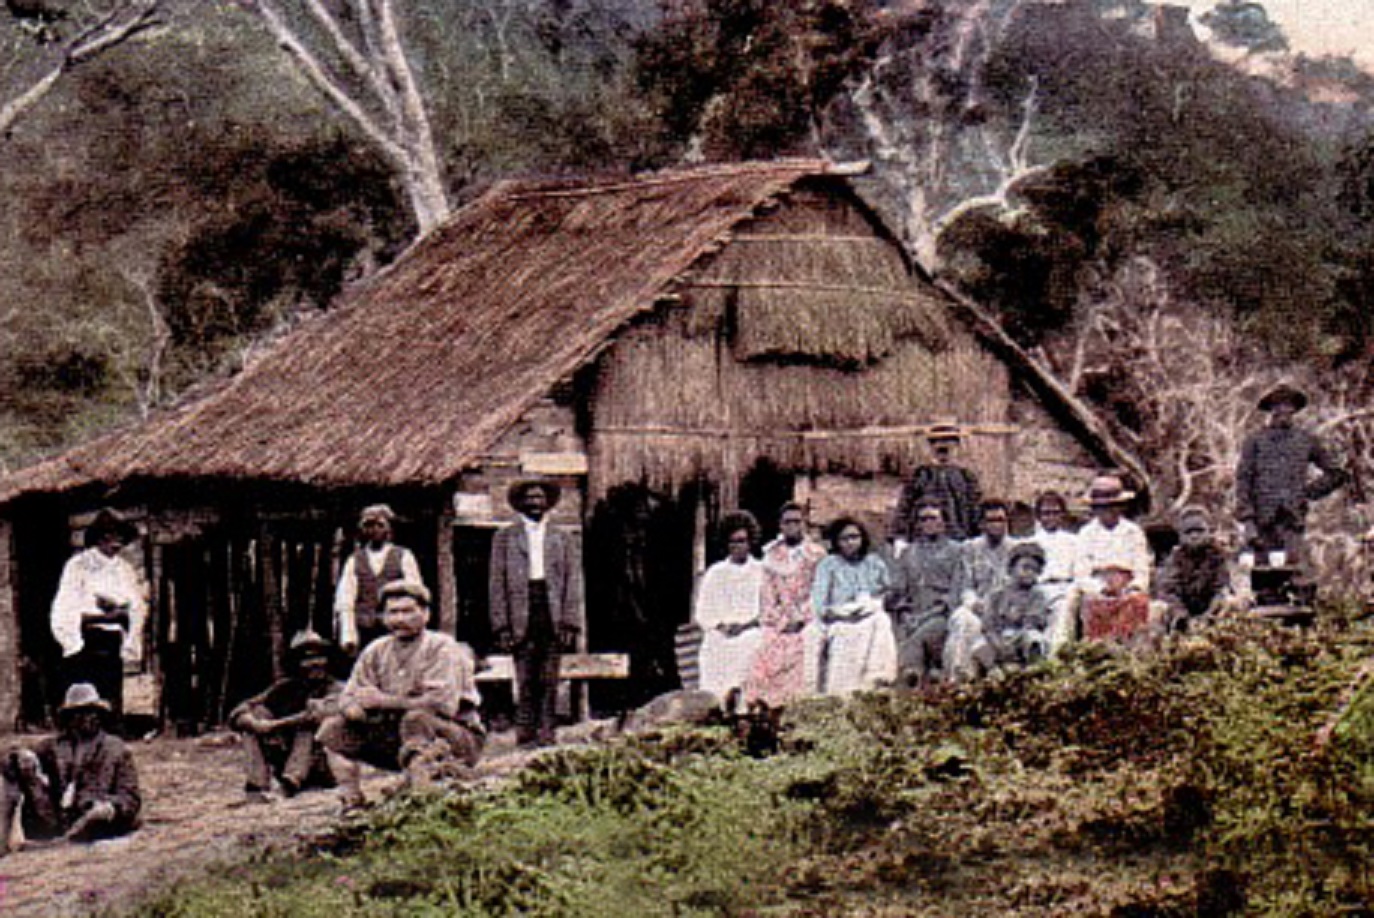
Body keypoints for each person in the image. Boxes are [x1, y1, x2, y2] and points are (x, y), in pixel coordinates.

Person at [317, 581, 484, 810]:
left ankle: (423, 798)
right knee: (333, 729)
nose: (399, 619)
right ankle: (352, 801)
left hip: (455, 738)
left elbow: (442, 704)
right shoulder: (377, 650)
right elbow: (350, 694)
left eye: (408, 611)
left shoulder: (442, 647)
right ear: (383, 617)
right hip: (397, 738)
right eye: (392, 612)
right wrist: (352, 709)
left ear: (425, 614)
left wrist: (383, 701)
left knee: (416, 718)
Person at [489, 479, 583, 748]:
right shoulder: (505, 537)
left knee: (549, 676)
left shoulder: (562, 538)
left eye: (540, 498)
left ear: (548, 503)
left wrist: (569, 622)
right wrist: (501, 625)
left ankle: (547, 733)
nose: (535, 502)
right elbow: (496, 583)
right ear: (520, 503)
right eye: (529, 498)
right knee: (525, 675)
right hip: (521, 609)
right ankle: (525, 734)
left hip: (550, 609)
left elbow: (572, 582)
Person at [1, 683, 140, 854]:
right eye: (77, 713)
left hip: (95, 821)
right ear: (69, 717)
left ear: (99, 714)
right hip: (55, 819)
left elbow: (130, 798)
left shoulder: (116, 749)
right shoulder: (54, 746)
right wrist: (23, 757)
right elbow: (11, 757)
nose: (85, 718)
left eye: (90, 711)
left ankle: (63, 840)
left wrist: (110, 807)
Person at [50, 508, 147, 721]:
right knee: (85, 689)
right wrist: (96, 618)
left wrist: (121, 612)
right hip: (86, 638)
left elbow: (136, 605)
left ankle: (111, 727)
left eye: (119, 537)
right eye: (110, 536)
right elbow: (67, 605)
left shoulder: (124, 569)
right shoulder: (79, 566)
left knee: (111, 686)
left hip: (112, 638)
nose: (115, 542)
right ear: (100, 538)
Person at [1236, 384, 1347, 561]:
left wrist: (1308, 492)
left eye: (1290, 406)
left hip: (1293, 520)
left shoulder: (1306, 440)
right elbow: (1243, 480)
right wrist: (1247, 520)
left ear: (1295, 410)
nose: (1284, 411)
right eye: (1278, 406)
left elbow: (1337, 473)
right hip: (1262, 521)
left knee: (1298, 577)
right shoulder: (1255, 440)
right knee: (1265, 579)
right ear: (1271, 410)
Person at [228, 630, 342, 802]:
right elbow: (239, 711)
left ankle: (290, 784)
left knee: (307, 727)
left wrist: (275, 725)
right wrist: (254, 723)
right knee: (257, 715)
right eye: (306, 659)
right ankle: (256, 786)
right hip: (286, 757)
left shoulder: (336, 688)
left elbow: (315, 715)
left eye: (319, 657)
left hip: (325, 764)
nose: (314, 664)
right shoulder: (284, 688)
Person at [745, 502, 828, 705]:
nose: (792, 526)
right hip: (779, 621)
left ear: (804, 524)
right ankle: (767, 705)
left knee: (810, 641)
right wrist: (781, 621)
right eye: (787, 522)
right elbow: (767, 596)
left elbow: (820, 592)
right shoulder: (771, 557)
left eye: (797, 521)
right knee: (764, 645)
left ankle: (803, 702)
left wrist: (802, 618)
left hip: (810, 619)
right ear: (780, 526)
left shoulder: (817, 555)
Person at [809, 517, 897, 695]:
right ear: (836, 542)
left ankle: (877, 680)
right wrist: (842, 614)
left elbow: (889, 591)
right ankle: (842, 693)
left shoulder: (874, 562)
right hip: (841, 619)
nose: (850, 543)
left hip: (869, 615)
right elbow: (819, 603)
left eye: (854, 537)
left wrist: (875, 602)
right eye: (844, 539)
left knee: (881, 621)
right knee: (845, 635)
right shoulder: (829, 565)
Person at [886, 500, 966, 686]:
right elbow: (899, 590)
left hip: (940, 614)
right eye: (923, 519)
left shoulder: (957, 551)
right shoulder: (908, 553)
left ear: (944, 521)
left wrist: (925, 617)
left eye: (933, 518)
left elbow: (956, 591)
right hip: (911, 615)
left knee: (918, 637)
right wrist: (905, 614)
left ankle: (911, 675)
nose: (928, 523)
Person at [949, 542, 1053, 681]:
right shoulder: (996, 595)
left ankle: (1034, 675)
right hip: (997, 637)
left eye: (1035, 570)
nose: (1030, 573)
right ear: (1011, 569)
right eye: (1025, 567)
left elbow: (1032, 623)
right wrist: (998, 643)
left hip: (1021, 636)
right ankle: (984, 676)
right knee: (978, 647)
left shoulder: (1037, 595)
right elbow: (988, 625)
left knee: (1034, 639)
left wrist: (1014, 640)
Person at [693, 512, 766, 703]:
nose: (737, 546)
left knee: (751, 645)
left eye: (741, 541)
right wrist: (720, 626)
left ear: (750, 542)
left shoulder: (761, 571)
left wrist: (746, 626)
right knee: (713, 646)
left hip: (751, 630)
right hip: (721, 632)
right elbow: (703, 612)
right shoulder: (715, 573)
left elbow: (768, 608)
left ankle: (744, 708)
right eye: (732, 542)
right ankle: (716, 706)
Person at [334, 504, 423, 656]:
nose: (374, 530)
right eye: (369, 525)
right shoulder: (355, 560)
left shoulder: (403, 556)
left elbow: (415, 593)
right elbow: (346, 599)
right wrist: (348, 635)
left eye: (379, 525)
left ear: (388, 528)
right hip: (364, 629)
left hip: (395, 625)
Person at [889, 419, 983, 546]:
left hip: (959, 541)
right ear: (931, 446)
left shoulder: (966, 477)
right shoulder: (919, 475)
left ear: (956, 445)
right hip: (922, 542)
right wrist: (899, 537)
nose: (943, 445)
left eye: (949, 440)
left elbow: (975, 509)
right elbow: (904, 507)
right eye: (936, 442)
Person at [1155, 506, 1231, 633]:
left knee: (1230, 602)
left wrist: (1209, 615)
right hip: (1181, 613)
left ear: (1208, 532)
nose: (1194, 536)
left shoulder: (1217, 556)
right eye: (1189, 532)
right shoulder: (1175, 558)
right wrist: (1181, 614)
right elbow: (1167, 591)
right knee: (1158, 609)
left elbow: (1222, 587)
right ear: (1181, 535)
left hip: (1211, 612)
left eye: (1199, 531)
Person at [1028, 491, 1081, 653]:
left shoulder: (1074, 541)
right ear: (1038, 516)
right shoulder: (1030, 543)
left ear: (1062, 515)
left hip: (1065, 587)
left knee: (1062, 610)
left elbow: (1079, 572)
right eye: (1046, 513)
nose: (1050, 518)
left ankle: (1056, 655)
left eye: (1055, 513)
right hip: (1038, 589)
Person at [960, 500, 1015, 604]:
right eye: (991, 521)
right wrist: (973, 603)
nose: (996, 525)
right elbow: (966, 586)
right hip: (979, 604)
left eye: (1000, 520)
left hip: (1008, 605)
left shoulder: (1016, 548)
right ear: (982, 524)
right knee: (961, 618)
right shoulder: (970, 548)